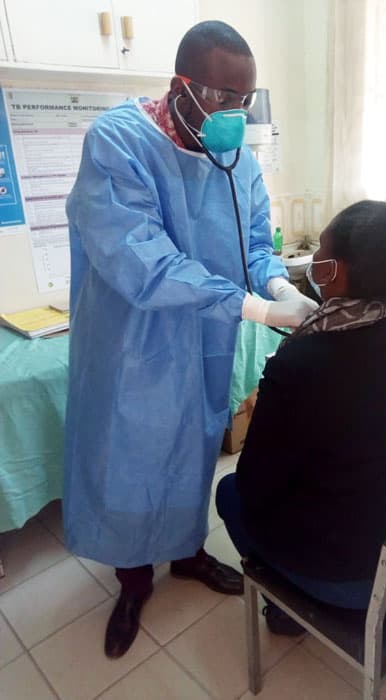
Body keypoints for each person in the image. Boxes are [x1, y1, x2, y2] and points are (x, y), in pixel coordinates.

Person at [63, 20, 318, 658]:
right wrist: (250, 307)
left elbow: (254, 240)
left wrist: (277, 283)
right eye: (224, 98)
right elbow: (141, 261)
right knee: (132, 459)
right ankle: (131, 580)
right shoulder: (118, 143)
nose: (236, 113)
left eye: (246, 101)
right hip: (134, 343)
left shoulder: (235, 158)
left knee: (196, 448)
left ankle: (187, 554)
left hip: (204, 338)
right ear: (181, 87)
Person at [216, 191, 386, 634]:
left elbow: (254, 483)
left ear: (337, 270)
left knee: (228, 493)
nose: (314, 262)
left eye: (320, 254)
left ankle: (290, 607)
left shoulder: (298, 364)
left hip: (358, 581)